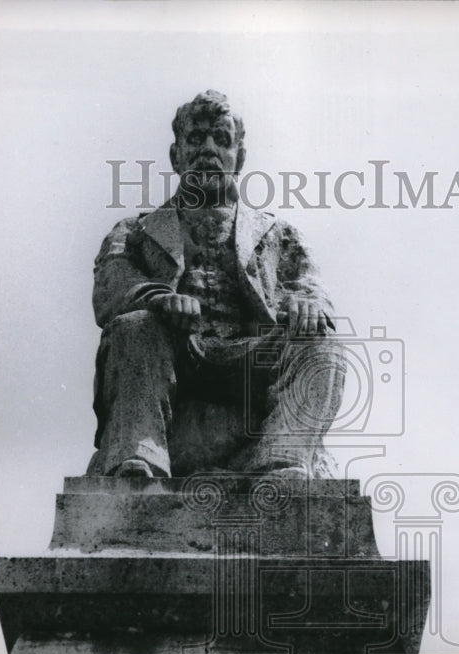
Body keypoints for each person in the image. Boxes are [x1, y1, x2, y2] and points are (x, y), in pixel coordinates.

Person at [87, 90, 346, 479]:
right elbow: (111, 285)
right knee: (133, 328)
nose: (208, 149)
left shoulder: (278, 233)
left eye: (221, 140)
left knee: (323, 345)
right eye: (196, 138)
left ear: (239, 157)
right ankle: (140, 458)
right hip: (175, 352)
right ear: (176, 155)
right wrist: (159, 299)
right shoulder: (136, 230)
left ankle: (281, 461)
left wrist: (308, 305)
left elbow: (310, 287)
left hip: (253, 358)